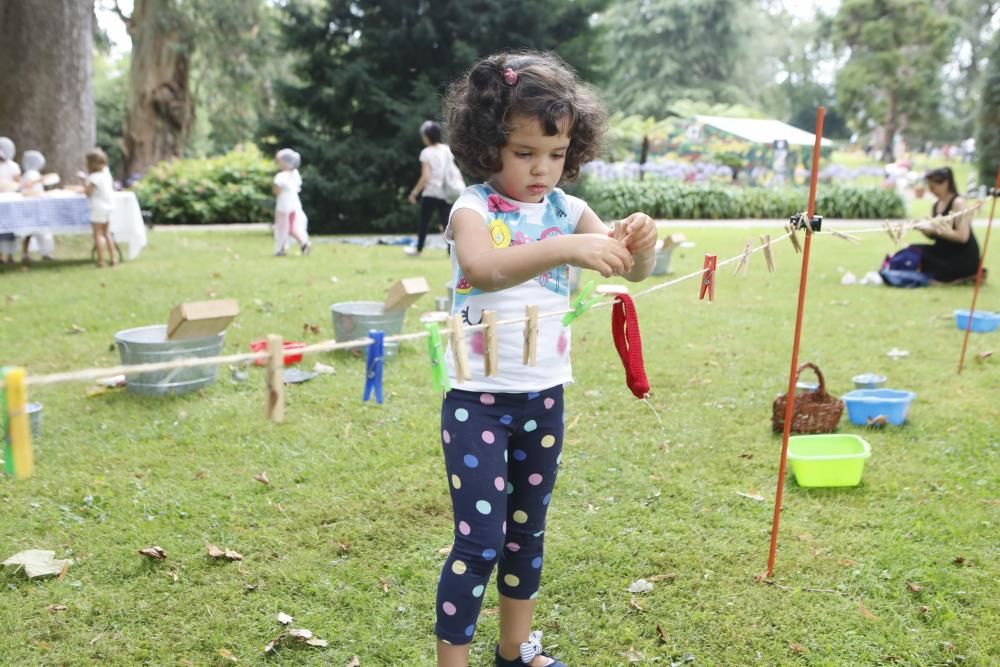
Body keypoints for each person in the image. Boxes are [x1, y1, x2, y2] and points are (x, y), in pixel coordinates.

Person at [435, 51, 657, 667]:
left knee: (525, 534)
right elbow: (482, 269)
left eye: (555, 155)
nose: (542, 169)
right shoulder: (473, 208)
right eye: (525, 153)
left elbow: (630, 270)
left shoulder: (566, 208)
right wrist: (565, 247)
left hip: (543, 398)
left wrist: (642, 244)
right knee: (478, 542)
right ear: (487, 148)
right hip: (478, 404)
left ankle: (514, 651)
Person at [913, 167, 979, 283]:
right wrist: (923, 229)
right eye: (930, 187)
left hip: (960, 257)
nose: (931, 190)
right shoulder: (936, 205)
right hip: (943, 251)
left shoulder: (958, 202)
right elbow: (935, 236)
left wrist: (934, 229)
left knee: (920, 261)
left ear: (946, 183)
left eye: (933, 187)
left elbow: (963, 237)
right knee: (912, 251)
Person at [406, 120, 455, 256]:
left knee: (424, 223)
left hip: (431, 192)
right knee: (447, 224)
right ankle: (451, 251)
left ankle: (419, 249)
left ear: (427, 136)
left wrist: (414, 193)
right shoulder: (446, 150)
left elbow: (425, 177)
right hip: (445, 192)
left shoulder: (426, 152)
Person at [18, 150, 55, 262]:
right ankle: (30, 254)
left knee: (40, 232)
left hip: (37, 206)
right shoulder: (30, 175)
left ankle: (44, 253)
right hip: (32, 207)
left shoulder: (32, 174)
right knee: (31, 232)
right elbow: (25, 188)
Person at [82, 148, 117, 268]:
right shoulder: (106, 173)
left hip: (98, 208)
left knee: (97, 234)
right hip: (108, 207)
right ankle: (113, 258)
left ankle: (101, 260)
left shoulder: (94, 178)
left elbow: (88, 193)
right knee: (107, 233)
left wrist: (84, 184)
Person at [272, 148, 310, 257]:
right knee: (289, 226)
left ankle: (303, 242)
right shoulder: (295, 174)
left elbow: (276, 191)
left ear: (285, 162)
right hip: (294, 204)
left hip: (284, 206)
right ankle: (283, 248)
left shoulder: (281, 176)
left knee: (284, 227)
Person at [0, 137, 19, 264]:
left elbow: (18, 182)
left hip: (11, 200)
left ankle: (10, 255)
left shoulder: (12, 166)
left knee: (11, 229)